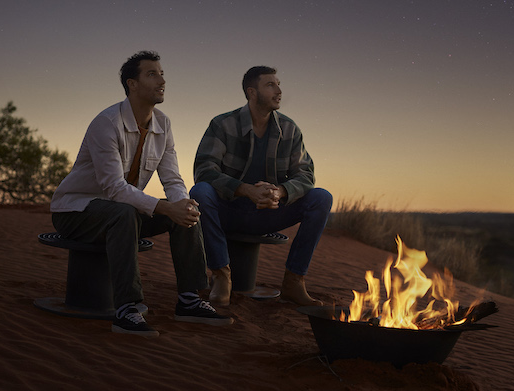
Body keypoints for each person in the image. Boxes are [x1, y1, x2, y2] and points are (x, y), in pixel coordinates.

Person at [50, 51, 232, 337]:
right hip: (76, 211)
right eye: (152, 74)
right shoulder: (106, 123)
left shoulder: (163, 124)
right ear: (131, 84)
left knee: (185, 210)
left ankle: (189, 299)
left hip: (121, 213)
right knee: (123, 212)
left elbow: (171, 177)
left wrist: (181, 204)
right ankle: (127, 308)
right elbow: (113, 187)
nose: (162, 80)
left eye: (161, 74)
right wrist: (163, 207)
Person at [191, 66, 332, 307]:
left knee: (321, 198)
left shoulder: (289, 129)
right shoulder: (222, 124)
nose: (279, 91)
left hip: (271, 211)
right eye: (271, 85)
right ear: (252, 92)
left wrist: (280, 191)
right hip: (229, 211)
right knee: (200, 192)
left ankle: (294, 282)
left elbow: (305, 174)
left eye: (279, 84)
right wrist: (246, 189)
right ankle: (221, 277)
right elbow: (204, 170)